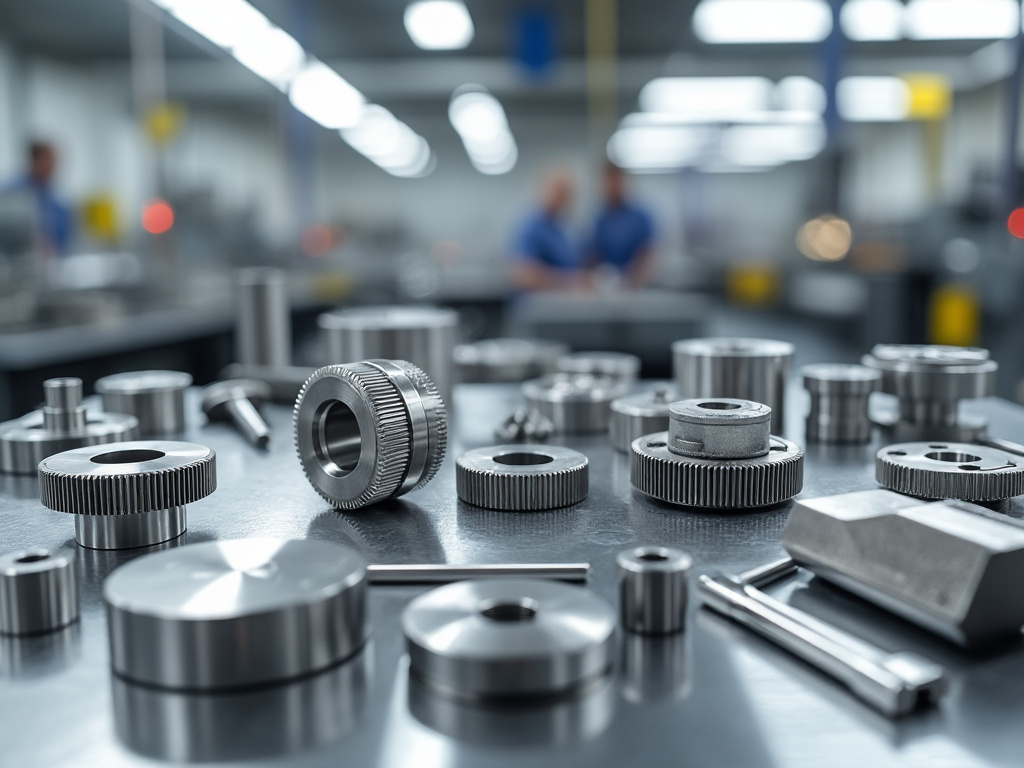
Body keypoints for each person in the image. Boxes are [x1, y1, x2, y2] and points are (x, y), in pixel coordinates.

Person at [510, 169, 583, 291]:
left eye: (566, 194)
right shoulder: (531, 225)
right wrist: (569, 281)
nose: (562, 199)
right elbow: (523, 274)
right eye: (559, 192)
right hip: (535, 305)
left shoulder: (559, 229)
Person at [587, 162, 654, 288]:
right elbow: (594, 256)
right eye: (607, 182)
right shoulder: (600, 219)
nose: (610, 187)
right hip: (607, 287)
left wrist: (633, 283)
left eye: (614, 181)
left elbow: (648, 254)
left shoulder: (640, 217)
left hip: (636, 286)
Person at [2, 141, 73, 256]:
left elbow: (64, 242)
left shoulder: (57, 202)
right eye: (48, 159)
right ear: (34, 160)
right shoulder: (10, 193)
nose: (53, 165)